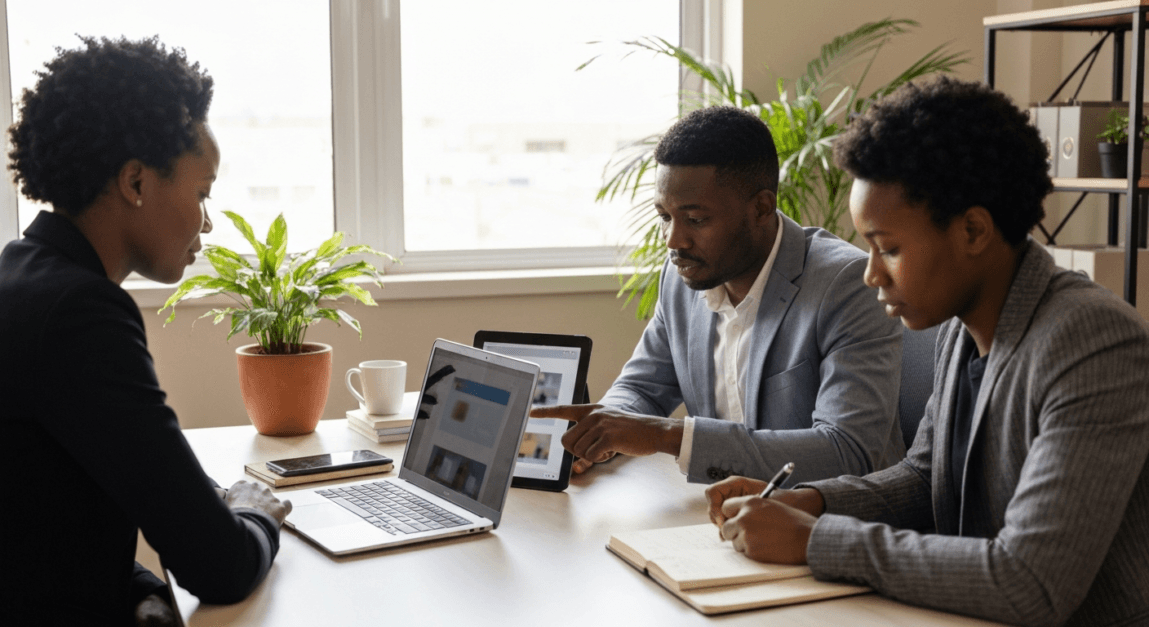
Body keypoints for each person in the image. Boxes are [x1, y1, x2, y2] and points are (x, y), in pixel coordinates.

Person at [706, 77, 1149, 627]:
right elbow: (924, 478)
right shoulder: (964, 331)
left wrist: (818, 539)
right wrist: (814, 501)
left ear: (973, 230)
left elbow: (1031, 580)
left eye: (888, 248)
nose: (871, 274)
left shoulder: (1093, 343)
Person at [0, 37, 291, 625]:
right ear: (135, 182)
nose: (207, 221)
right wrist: (255, 512)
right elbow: (220, 567)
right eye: (202, 193)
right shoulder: (80, 313)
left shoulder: (20, 273)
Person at [533, 106, 904, 485]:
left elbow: (848, 452)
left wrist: (666, 436)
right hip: (719, 516)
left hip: (824, 526)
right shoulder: (683, 279)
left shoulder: (847, 284)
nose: (673, 241)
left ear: (761, 208)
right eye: (665, 216)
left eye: (695, 219)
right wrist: (603, 434)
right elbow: (642, 387)